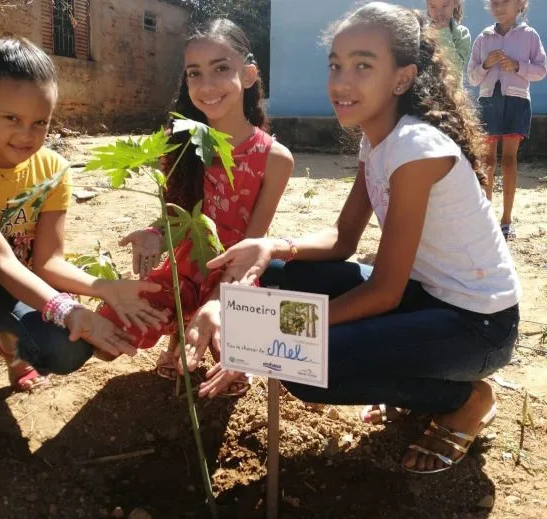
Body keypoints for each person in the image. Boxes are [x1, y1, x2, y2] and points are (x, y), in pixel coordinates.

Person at [203, 2, 521, 475]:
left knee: (307, 370)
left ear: (402, 78)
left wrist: (284, 333)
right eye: (335, 65)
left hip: (478, 326)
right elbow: (342, 238)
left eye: (363, 66)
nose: (341, 82)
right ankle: (401, 368)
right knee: (274, 272)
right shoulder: (378, 141)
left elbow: (385, 291)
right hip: (424, 297)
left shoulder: (416, 149)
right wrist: (272, 245)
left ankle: (464, 397)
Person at [0, 38, 167, 488]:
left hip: (20, 291)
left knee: (65, 349)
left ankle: (11, 342)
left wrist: (101, 288)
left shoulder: (53, 169)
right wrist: (70, 310)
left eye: (40, 123)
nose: (26, 136)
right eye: (11, 119)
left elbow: (48, 261)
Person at [98, 19, 293, 396]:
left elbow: (253, 242)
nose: (206, 86)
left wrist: (219, 302)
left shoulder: (274, 158)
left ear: (249, 74)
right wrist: (156, 234)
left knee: (226, 347)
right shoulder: (178, 143)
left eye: (222, 69)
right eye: (194, 74)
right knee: (109, 332)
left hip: (236, 274)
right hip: (184, 267)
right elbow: (177, 213)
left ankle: (227, 348)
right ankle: (177, 335)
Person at [467, 0, 546, 240]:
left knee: (510, 161)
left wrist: (517, 66)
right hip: (488, 102)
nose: (499, 7)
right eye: (494, 3)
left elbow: (541, 69)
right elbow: (472, 78)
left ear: (520, 4)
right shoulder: (484, 38)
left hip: (517, 101)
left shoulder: (529, 36)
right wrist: (486, 64)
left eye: (505, 2)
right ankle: (486, 218)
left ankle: (506, 221)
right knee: (487, 160)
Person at [426, 0, 471, 81]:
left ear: (455, 3)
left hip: (450, 92)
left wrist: (443, 32)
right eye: (433, 6)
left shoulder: (462, 34)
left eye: (445, 6)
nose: (439, 13)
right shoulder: (421, 32)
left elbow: (456, 71)